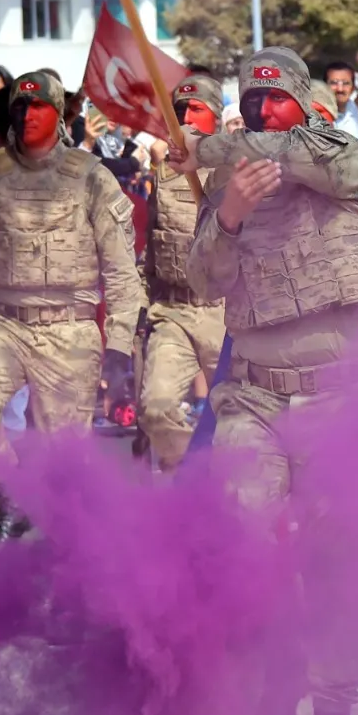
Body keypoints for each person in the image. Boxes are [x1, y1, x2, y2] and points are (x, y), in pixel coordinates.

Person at [175, 46, 358, 715]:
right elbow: (202, 279)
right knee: (244, 539)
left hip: (343, 396)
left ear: (306, 105)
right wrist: (231, 213)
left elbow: (337, 166)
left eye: (276, 100)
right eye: (251, 101)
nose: (261, 112)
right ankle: (280, 658)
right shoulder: (231, 187)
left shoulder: (339, 153)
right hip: (254, 395)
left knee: (338, 566)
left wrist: (216, 144)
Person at [0, 72, 146, 544]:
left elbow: (120, 268)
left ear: (59, 114)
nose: (27, 116)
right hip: (2, 321)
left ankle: (76, 561)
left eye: (38, 107)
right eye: (18, 107)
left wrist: (119, 344)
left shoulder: (92, 177)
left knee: (65, 460)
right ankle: (14, 493)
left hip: (69, 328)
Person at [137, 75, 227, 471]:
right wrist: (140, 304)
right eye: (179, 111)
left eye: (196, 110)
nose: (185, 118)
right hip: (172, 311)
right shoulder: (164, 173)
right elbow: (152, 249)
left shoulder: (239, 172)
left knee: (237, 422)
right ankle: (189, 483)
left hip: (225, 315)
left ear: (217, 121)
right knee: (156, 409)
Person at [323, 62, 358, 144]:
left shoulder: (352, 107)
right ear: (324, 86)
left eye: (346, 83)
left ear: (353, 88)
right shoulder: (314, 112)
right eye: (334, 83)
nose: (340, 89)